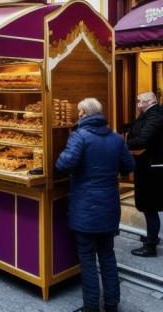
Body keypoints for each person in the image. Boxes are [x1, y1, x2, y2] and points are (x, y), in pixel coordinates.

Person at [55, 98, 134, 312]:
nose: (77, 115)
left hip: (85, 207)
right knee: (107, 255)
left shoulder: (79, 136)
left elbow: (63, 164)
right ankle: (111, 304)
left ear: (83, 113)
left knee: (88, 259)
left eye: (79, 112)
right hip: (109, 206)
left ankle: (91, 307)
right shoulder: (117, 139)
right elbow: (129, 165)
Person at [127, 91, 163, 257]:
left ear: (150, 101)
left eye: (139, 101)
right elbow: (135, 131)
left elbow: (143, 139)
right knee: (148, 205)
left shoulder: (155, 116)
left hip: (153, 168)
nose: (137, 103)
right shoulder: (147, 114)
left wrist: (122, 144)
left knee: (150, 206)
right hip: (146, 166)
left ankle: (151, 245)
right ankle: (151, 237)